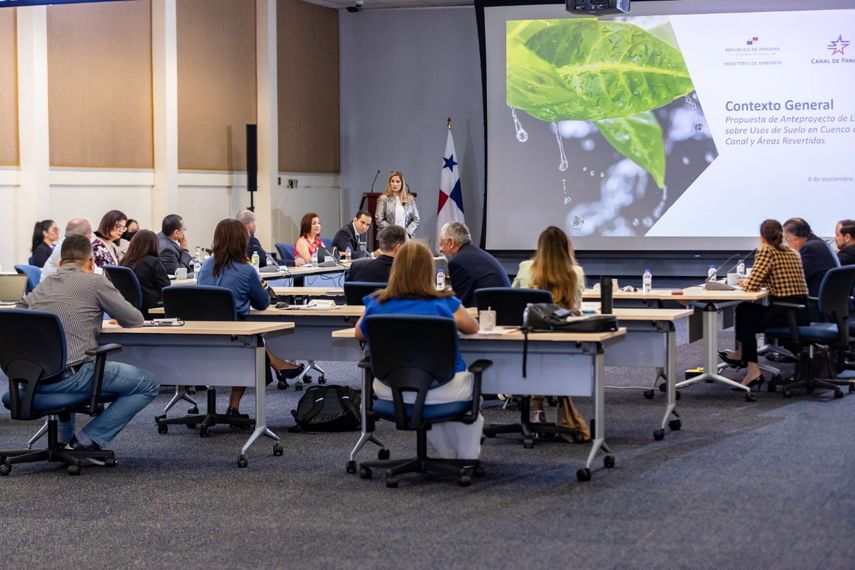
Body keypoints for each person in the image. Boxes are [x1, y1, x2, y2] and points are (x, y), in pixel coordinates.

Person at [17, 234, 159, 451]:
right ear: (91, 262)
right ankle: (86, 440)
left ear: (61, 262)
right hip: (72, 376)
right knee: (148, 384)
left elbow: (19, 313)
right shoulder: (95, 281)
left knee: (66, 361)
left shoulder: (44, 285)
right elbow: (134, 320)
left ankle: (63, 443)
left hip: (34, 376)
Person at [354, 241, 483, 459]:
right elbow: (473, 328)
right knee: (470, 392)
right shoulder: (444, 302)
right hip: (443, 388)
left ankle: (448, 457)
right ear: (429, 270)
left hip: (389, 389)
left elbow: (359, 333)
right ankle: (465, 460)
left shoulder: (376, 303)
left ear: (396, 268)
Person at [197, 219, 301, 416]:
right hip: (234, 339)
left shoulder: (205, 265)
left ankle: (277, 364)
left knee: (253, 339)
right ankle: (235, 404)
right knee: (254, 343)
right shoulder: (246, 269)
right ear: (242, 241)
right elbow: (262, 303)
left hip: (202, 336)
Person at [511, 226, 589, 438]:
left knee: (536, 358)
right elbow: (577, 305)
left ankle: (537, 409)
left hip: (528, 339)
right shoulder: (575, 272)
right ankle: (563, 410)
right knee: (553, 359)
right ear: (566, 248)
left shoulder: (525, 268)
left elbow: (513, 299)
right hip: (563, 341)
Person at [722, 219, 809, 388]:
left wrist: (746, 282)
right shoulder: (793, 252)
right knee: (747, 310)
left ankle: (751, 368)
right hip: (802, 311)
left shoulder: (766, 251)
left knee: (744, 311)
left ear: (762, 237)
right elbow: (779, 277)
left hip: (785, 312)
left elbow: (752, 286)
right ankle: (743, 356)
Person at [439, 221, 510, 307]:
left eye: (441, 243)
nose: (440, 249)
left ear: (451, 243)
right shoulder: (476, 254)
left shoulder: (458, 262)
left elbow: (458, 305)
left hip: (489, 312)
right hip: (503, 308)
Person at [783, 217, 837, 320]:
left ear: (796, 239)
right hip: (829, 306)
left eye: (787, 241)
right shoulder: (819, 243)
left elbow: (794, 279)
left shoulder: (809, 248)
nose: (787, 246)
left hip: (814, 309)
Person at [120, 229, 170, 315]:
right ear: (154, 245)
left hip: (128, 308)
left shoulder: (124, 262)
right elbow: (166, 289)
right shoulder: (154, 262)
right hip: (151, 308)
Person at [375, 171, 419, 238]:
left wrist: (407, 233)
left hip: (406, 237)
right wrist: (394, 232)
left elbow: (416, 219)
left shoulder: (410, 199)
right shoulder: (383, 199)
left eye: (398, 181)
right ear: (389, 183)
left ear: (402, 184)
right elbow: (379, 220)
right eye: (392, 181)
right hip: (388, 237)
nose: (395, 184)